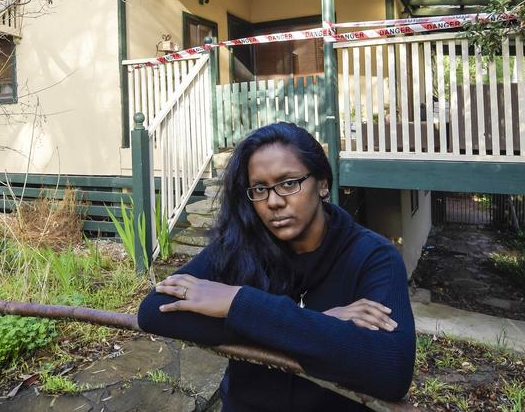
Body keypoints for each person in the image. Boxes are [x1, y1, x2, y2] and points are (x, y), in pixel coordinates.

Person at [138, 122, 415, 411]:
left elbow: (391, 369)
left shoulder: (373, 257)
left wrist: (236, 304)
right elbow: (154, 310)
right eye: (259, 188)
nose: (272, 202)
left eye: (288, 183)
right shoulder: (242, 245)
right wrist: (321, 322)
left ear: (322, 184)